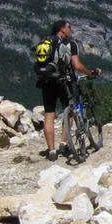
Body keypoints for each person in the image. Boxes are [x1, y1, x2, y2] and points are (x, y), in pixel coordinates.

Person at [40, 19, 100, 161]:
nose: (71, 30)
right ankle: (63, 142)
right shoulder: (70, 44)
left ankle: (52, 151)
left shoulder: (46, 43)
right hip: (64, 81)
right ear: (62, 29)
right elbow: (77, 65)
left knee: (49, 116)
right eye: (69, 27)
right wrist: (90, 73)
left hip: (47, 81)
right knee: (71, 110)